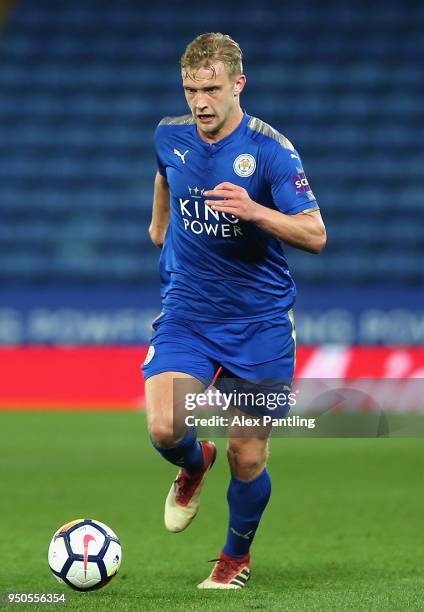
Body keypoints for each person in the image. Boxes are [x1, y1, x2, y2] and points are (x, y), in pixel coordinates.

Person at [143, 32, 326, 589]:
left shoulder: (272, 150)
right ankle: (195, 463)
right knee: (163, 425)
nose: (200, 101)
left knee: (248, 455)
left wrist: (254, 211)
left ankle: (234, 558)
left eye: (212, 89)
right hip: (189, 313)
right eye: (191, 88)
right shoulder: (168, 135)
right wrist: (160, 228)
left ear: (238, 85)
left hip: (260, 323)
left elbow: (315, 234)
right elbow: (164, 174)